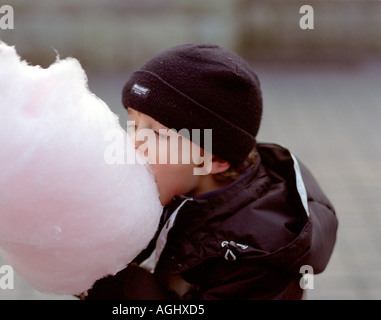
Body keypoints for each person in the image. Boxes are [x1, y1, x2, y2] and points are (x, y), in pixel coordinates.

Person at [78, 43, 338, 300]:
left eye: (157, 133)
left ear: (214, 158)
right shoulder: (173, 190)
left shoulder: (255, 262)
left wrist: (111, 284)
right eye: (133, 124)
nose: (132, 143)